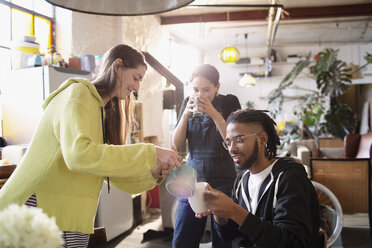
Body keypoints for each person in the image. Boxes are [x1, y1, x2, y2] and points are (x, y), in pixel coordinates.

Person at [0, 44, 181, 248]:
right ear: (118, 66)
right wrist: (152, 152)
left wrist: (154, 172)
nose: (137, 87)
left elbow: (111, 173)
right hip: (34, 207)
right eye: (136, 78)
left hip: (68, 216)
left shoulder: (101, 110)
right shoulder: (78, 93)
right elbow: (79, 155)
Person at [198, 109, 321, 248]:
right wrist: (220, 213)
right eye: (228, 142)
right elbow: (231, 235)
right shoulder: (241, 181)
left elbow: (293, 242)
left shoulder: (290, 179)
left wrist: (234, 210)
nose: (232, 149)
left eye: (239, 140)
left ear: (263, 139)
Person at [172, 64, 241, 248]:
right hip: (191, 181)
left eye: (206, 90)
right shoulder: (188, 101)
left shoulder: (229, 102)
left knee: (223, 241)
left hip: (223, 181)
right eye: (196, 89)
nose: (200, 94)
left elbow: (233, 142)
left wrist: (213, 113)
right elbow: (176, 143)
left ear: (217, 87)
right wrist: (185, 115)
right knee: (183, 240)